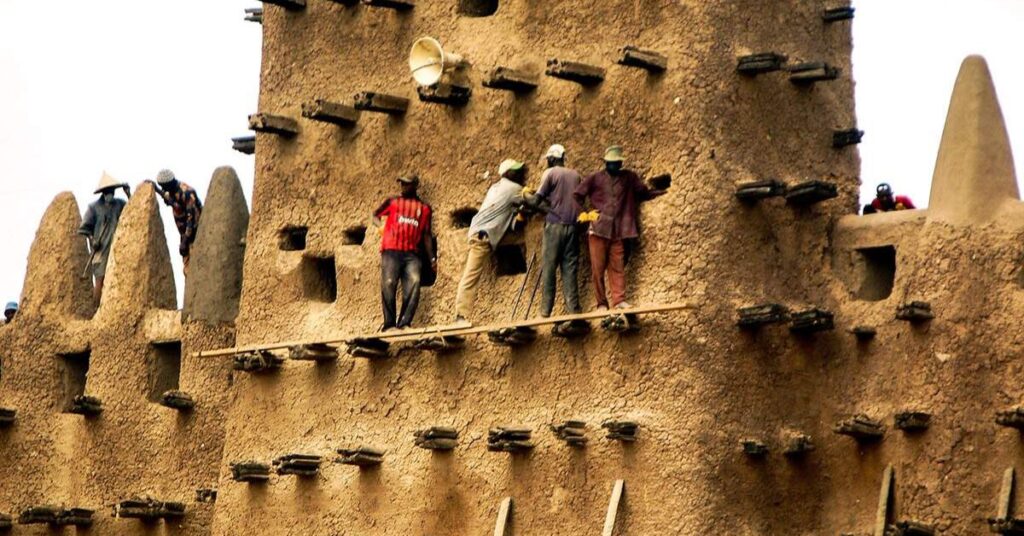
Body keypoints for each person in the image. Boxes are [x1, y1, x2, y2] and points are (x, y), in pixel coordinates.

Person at [574, 145, 666, 312]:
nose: (614, 165)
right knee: (597, 270)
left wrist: (660, 192)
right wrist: (586, 214)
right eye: (610, 163)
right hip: (598, 230)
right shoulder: (595, 178)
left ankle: (619, 301)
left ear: (621, 163)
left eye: (616, 163)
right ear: (605, 163)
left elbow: (642, 192)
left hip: (618, 232)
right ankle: (601, 304)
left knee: (617, 267)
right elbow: (577, 196)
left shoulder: (629, 177)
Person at [454, 159, 528, 324]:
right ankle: (460, 316)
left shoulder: (496, 187)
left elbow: (511, 221)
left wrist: (521, 215)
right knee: (471, 275)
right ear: (507, 174)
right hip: (483, 236)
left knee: (522, 236)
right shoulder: (513, 188)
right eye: (515, 171)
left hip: (486, 232)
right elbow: (533, 200)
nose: (519, 174)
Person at [372, 175, 435, 331]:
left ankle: (405, 323)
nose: (403, 187)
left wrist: (432, 259)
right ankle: (389, 325)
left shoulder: (424, 209)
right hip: (391, 250)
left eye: (407, 184)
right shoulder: (393, 202)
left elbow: (427, 235)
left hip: (412, 254)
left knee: (414, 284)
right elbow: (375, 216)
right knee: (388, 283)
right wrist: (381, 228)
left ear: (415, 186)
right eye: (402, 184)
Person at [535, 144, 584, 323]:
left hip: (555, 226)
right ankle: (573, 310)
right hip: (573, 226)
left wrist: (525, 198)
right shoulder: (576, 175)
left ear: (551, 159)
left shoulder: (550, 173)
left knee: (549, 268)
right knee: (570, 269)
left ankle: (545, 311)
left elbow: (537, 200)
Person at [78, 172, 131, 304]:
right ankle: (96, 309)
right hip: (100, 251)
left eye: (112, 190)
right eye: (108, 191)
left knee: (117, 279)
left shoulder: (119, 204)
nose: (110, 193)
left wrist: (128, 193)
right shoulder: (94, 207)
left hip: (115, 249)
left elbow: (133, 211)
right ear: (103, 192)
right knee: (100, 280)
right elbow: (84, 228)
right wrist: (92, 240)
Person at [150, 169, 203, 273]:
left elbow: (191, 219)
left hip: (196, 234)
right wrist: (156, 189)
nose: (163, 189)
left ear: (169, 184)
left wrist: (185, 241)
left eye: (163, 186)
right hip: (185, 235)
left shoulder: (187, 193)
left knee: (196, 267)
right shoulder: (172, 192)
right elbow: (169, 200)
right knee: (187, 270)